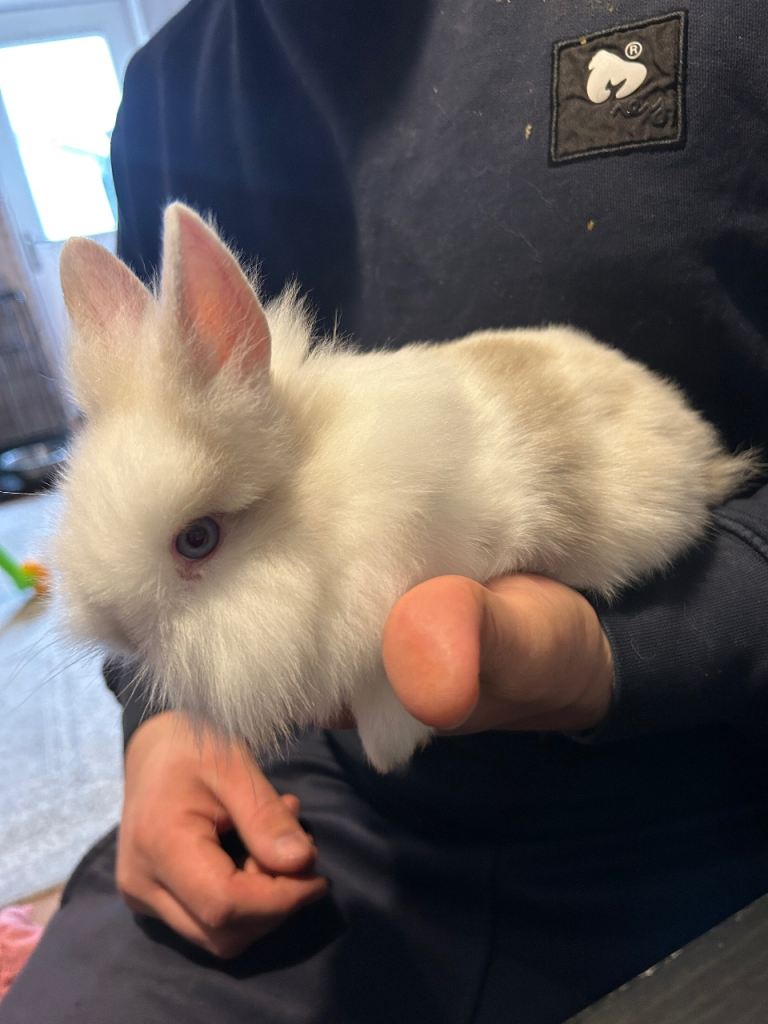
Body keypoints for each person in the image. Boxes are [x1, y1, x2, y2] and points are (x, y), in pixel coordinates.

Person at [3, 2, 768, 1021]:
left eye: (199, 539)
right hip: (329, 806)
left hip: (699, 790)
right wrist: (161, 724)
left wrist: (613, 656)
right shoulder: (167, 91)